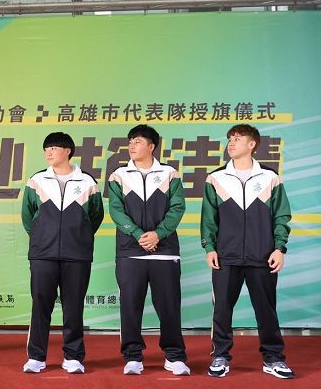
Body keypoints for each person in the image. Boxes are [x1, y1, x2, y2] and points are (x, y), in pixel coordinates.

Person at [201, 124, 294, 379]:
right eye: (230, 139)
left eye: (237, 138)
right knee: (222, 310)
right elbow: (208, 218)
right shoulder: (216, 178)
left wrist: (279, 248)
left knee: (266, 310)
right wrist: (209, 247)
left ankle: (273, 358)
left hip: (262, 255)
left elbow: (281, 215)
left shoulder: (269, 177)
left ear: (252, 144)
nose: (231, 143)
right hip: (226, 256)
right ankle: (220, 356)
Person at [107, 124, 190, 376]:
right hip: (130, 252)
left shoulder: (169, 174)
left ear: (151, 146)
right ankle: (133, 357)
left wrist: (158, 234)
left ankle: (174, 356)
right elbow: (116, 211)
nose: (132, 146)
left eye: (138, 141)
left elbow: (177, 208)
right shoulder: (119, 175)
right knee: (130, 306)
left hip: (165, 251)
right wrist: (137, 235)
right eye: (130, 141)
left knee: (169, 306)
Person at [21, 132, 104, 375]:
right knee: (40, 306)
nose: (48, 152)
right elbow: (28, 216)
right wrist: (42, 237)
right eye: (46, 148)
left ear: (68, 151)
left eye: (54, 147)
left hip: (76, 255)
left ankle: (73, 357)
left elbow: (95, 216)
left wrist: (78, 237)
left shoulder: (87, 182)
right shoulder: (37, 180)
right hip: (43, 254)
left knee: (74, 307)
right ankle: (36, 357)